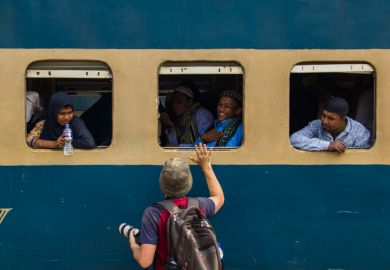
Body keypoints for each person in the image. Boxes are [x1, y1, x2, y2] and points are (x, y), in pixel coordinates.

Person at [129, 143, 225, 269]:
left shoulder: (153, 213)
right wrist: (206, 166)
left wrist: (133, 245)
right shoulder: (199, 206)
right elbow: (219, 197)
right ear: (188, 183)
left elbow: (145, 261)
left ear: (162, 182)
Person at [290, 96, 371, 153]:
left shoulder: (360, 133)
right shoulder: (317, 125)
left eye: (331, 118)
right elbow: (294, 139)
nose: (324, 121)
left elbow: (364, 159)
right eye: (323, 115)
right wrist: (327, 145)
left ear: (343, 119)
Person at [26, 91, 96, 149]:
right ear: (53, 113)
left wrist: (67, 142)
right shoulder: (43, 124)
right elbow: (28, 140)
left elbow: (90, 143)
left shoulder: (76, 122)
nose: (67, 117)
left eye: (70, 113)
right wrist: (54, 144)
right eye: (62, 114)